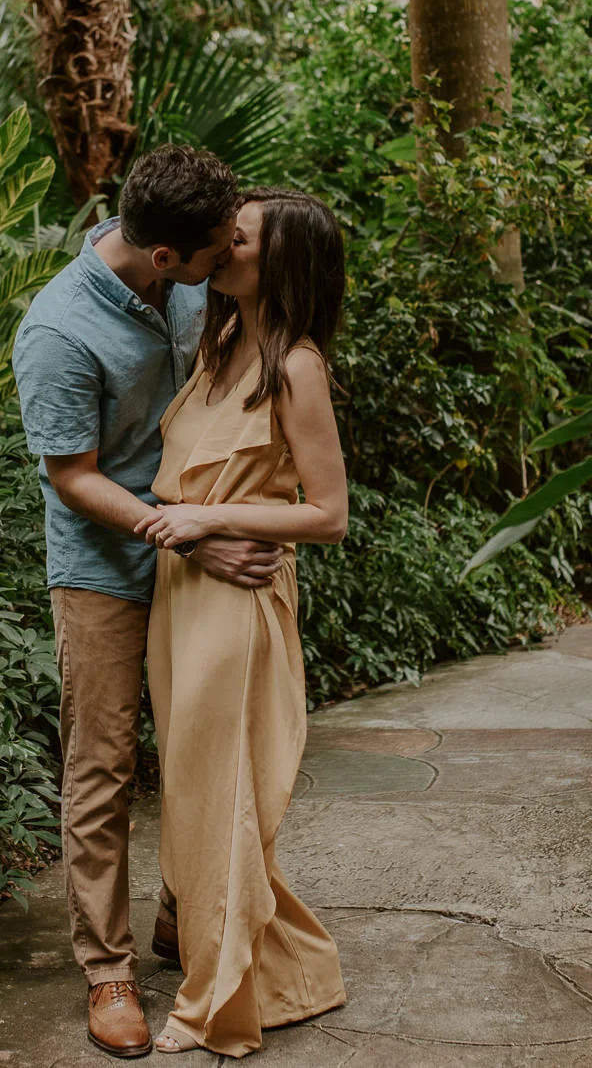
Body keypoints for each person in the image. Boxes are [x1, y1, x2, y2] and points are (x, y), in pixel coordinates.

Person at [12, 146, 286, 1059]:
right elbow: (72, 476)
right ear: (165, 255)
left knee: (206, 742)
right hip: (104, 566)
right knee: (102, 763)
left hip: (196, 548)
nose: (226, 265)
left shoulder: (190, 279)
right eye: (214, 254)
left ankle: (179, 912)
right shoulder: (58, 330)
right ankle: (107, 967)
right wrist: (190, 531)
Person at [133, 189, 351, 1057]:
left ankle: (212, 1002)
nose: (223, 245)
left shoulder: (296, 365)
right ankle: (296, 968)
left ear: (282, 261)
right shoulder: (218, 338)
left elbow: (328, 513)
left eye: (242, 238)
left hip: (238, 598)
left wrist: (213, 523)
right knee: (188, 790)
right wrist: (185, 526)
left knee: (223, 794)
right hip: (178, 590)